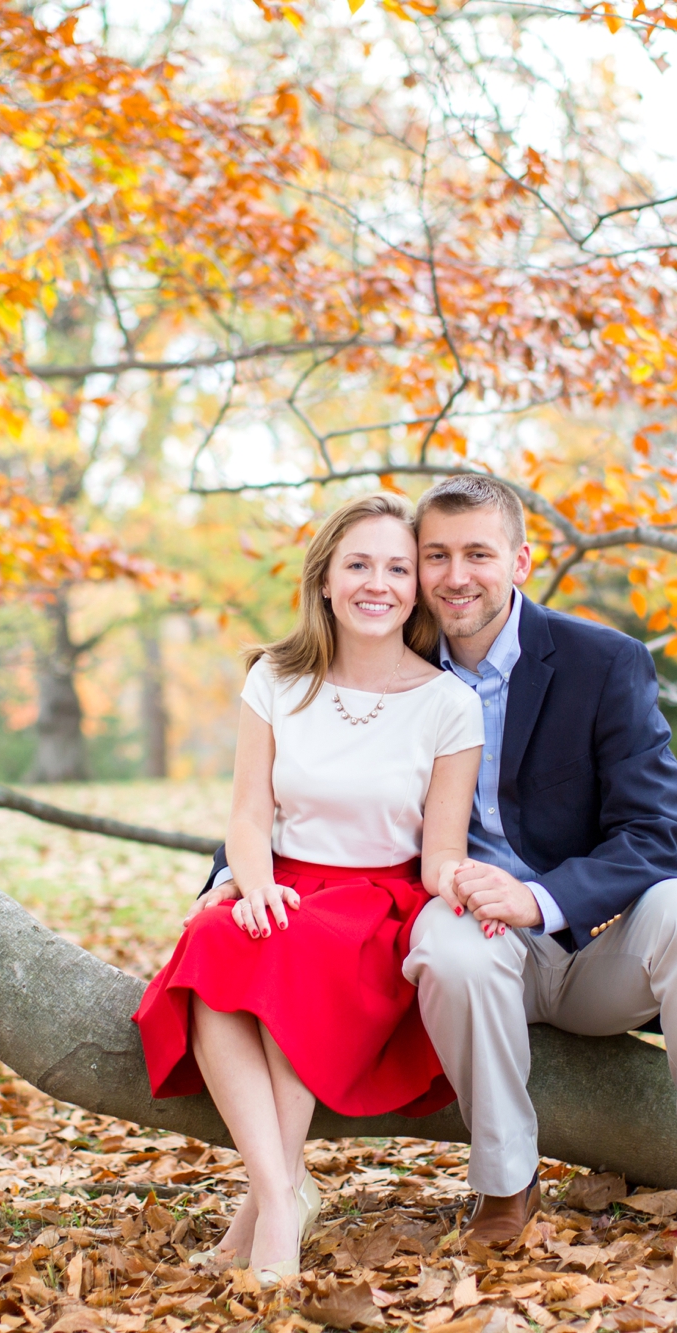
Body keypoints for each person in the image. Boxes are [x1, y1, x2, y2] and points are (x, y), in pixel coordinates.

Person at [403, 473, 677, 1245]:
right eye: (437, 555)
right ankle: (503, 1187)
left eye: (478, 554)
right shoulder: (395, 665)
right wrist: (231, 875)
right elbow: (310, 771)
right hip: (476, 949)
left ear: (521, 561)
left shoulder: (602, 662)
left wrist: (542, 899)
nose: (456, 576)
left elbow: (655, 828)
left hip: (594, 946)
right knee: (447, 948)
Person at [134, 493, 484, 1286]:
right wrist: (249, 886)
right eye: (358, 564)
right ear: (324, 578)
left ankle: (265, 1218)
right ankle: (279, 1191)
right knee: (219, 937)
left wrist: (473, 889)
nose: (379, 583)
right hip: (284, 878)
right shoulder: (275, 680)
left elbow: (440, 852)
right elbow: (248, 816)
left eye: (398, 567)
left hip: (375, 902)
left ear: (416, 588)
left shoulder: (449, 703)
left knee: (299, 956)